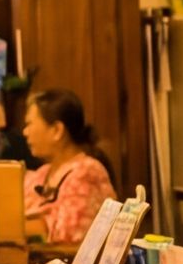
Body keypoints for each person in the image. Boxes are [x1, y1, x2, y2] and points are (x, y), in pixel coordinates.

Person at [21, 89, 114, 245]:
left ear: (57, 130)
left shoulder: (88, 172)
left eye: (29, 124)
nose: (25, 132)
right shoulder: (41, 174)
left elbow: (71, 237)